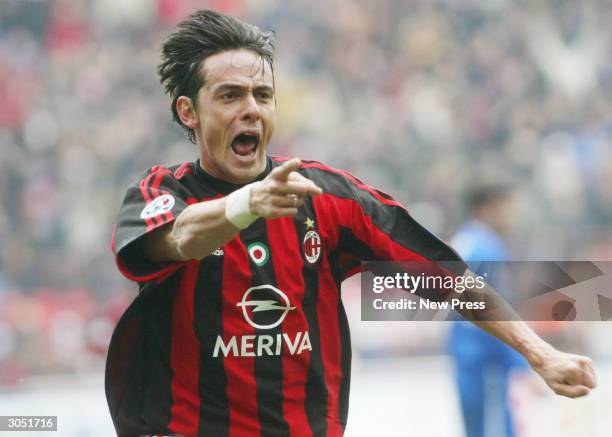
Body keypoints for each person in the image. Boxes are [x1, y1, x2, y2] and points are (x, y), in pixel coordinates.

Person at [106, 9, 597, 437]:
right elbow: (180, 237)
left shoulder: (328, 197)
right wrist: (249, 203)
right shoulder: (159, 194)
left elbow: (447, 278)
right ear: (188, 111)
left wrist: (540, 354)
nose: (251, 109)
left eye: (262, 94)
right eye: (231, 96)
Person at [448, 184, 529, 437]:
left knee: (475, 427)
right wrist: (520, 357)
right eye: (506, 207)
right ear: (488, 208)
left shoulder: (461, 240)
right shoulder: (487, 246)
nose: (511, 215)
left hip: (465, 351)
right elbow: (490, 309)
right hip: (486, 353)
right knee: (496, 425)